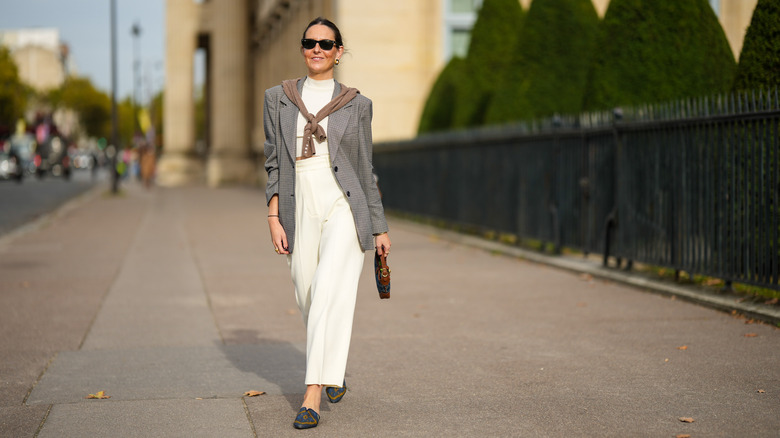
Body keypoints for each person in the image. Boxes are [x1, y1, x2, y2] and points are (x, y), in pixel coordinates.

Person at [262, 17, 391, 430]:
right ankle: (333, 367)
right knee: (309, 294)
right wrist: (273, 214)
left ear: (339, 51)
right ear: (303, 49)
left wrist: (378, 225)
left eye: (326, 43)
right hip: (298, 200)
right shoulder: (276, 99)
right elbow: (272, 163)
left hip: (342, 203)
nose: (317, 49)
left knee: (329, 294)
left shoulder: (358, 104)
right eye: (310, 42)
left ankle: (313, 393)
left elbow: (365, 167)